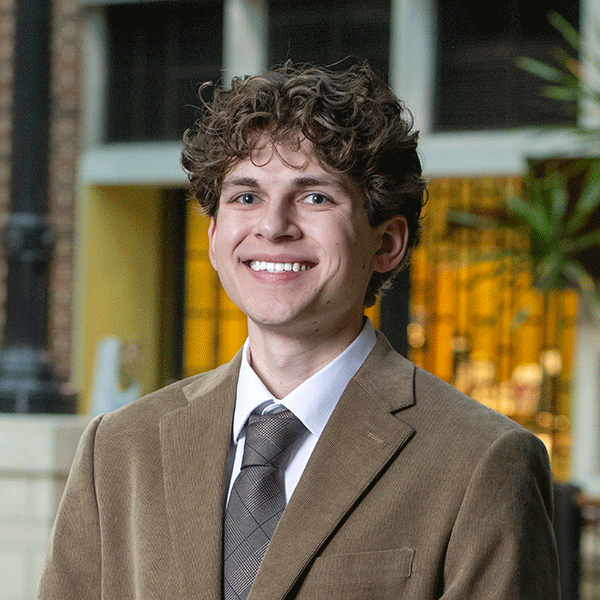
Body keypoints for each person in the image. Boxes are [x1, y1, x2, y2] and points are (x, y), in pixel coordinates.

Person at [37, 62, 559, 600]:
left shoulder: (482, 461)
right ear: (216, 237)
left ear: (387, 244)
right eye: (246, 196)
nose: (273, 225)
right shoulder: (119, 449)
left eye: (315, 197)